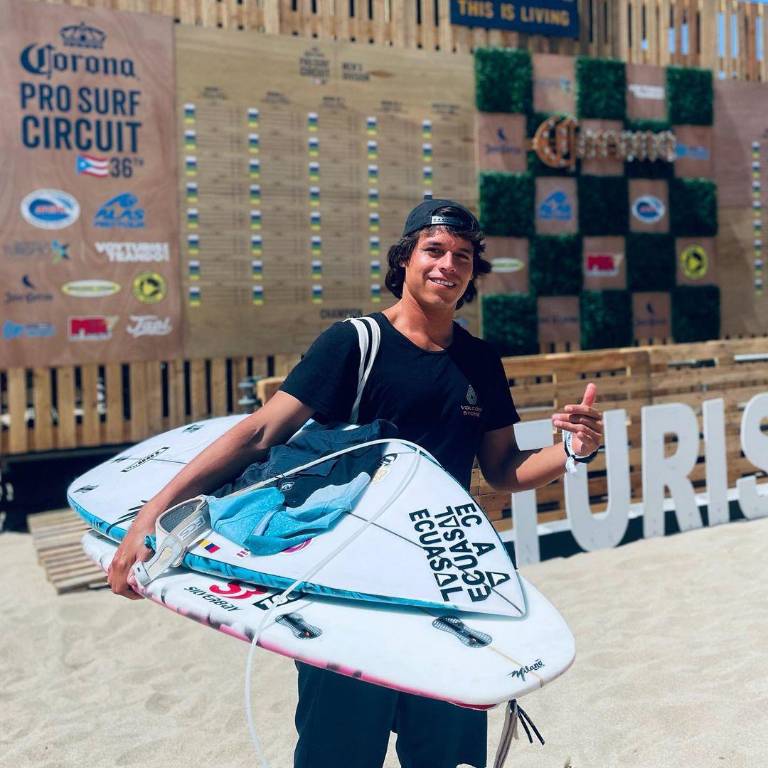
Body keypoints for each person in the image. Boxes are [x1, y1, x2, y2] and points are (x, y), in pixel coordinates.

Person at [108, 198, 603, 768]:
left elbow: (501, 468)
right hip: (347, 583)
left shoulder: (480, 361)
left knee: (444, 754)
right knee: (340, 752)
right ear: (405, 258)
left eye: (463, 257)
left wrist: (572, 450)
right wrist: (150, 518)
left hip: (441, 575)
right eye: (434, 250)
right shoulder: (354, 342)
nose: (448, 265)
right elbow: (260, 432)